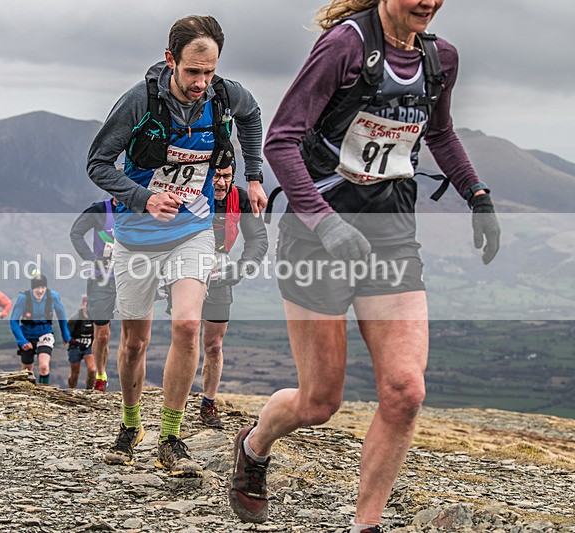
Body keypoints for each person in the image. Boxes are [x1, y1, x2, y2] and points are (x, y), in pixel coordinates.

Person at [228, 0, 501, 529]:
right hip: (316, 242)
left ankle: (365, 524)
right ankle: (256, 444)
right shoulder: (345, 46)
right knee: (318, 402)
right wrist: (325, 221)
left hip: (391, 240)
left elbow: (439, 133)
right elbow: (282, 139)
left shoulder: (440, 57)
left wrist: (478, 194)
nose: (428, 1)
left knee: (405, 392)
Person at [87, 14, 266, 477]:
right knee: (134, 342)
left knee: (187, 326)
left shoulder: (225, 94)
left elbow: (251, 116)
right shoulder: (137, 101)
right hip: (137, 236)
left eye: (209, 72)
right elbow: (99, 164)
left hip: (193, 230)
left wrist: (253, 176)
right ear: (171, 60)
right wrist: (143, 197)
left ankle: (171, 435)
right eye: (192, 72)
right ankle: (130, 426)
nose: (201, 83)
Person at [195, 160, 268, 428]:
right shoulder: (191, 192)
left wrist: (240, 269)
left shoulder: (241, 198)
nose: (221, 183)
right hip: (186, 270)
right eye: (215, 176)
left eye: (226, 176)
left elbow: (259, 239)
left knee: (214, 345)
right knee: (187, 336)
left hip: (221, 273)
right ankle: (174, 404)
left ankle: (208, 404)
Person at [69, 197, 118, 391]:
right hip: (102, 279)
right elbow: (76, 233)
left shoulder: (140, 208)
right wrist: (91, 258)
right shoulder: (99, 210)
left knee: (133, 336)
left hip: (130, 278)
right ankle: (100, 375)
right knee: (102, 335)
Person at [9, 275, 71, 385]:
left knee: (44, 367)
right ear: (32, 288)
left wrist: (65, 335)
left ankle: (43, 391)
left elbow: (62, 315)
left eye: (43, 287)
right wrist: (22, 341)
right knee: (27, 370)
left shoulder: (53, 297)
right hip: (27, 335)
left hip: (45, 333)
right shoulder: (23, 298)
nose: (40, 291)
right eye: (37, 288)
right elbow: (13, 321)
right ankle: (27, 394)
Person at [66, 295, 97, 389]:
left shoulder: (96, 318)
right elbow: (66, 335)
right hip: (75, 345)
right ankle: (71, 389)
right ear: (83, 305)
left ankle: (89, 389)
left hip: (89, 345)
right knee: (75, 373)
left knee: (92, 369)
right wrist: (74, 343)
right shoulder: (75, 318)